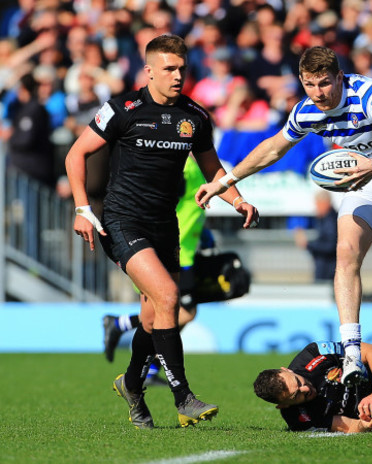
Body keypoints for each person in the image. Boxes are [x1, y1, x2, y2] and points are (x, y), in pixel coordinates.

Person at [194, 46, 372, 387]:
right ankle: (353, 355)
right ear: (301, 81)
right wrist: (224, 181)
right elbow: (272, 149)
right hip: (365, 180)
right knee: (346, 252)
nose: (318, 93)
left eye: (325, 83)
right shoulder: (307, 112)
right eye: (310, 84)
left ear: (340, 77)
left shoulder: (371, 97)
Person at [65, 34, 259, 429]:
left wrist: (236, 200)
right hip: (121, 220)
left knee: (153, 317)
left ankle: (132, 384)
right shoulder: (123, 108)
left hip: (164, 225)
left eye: (182, 69)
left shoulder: (195, 117)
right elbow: (76, 153)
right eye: (168, 69)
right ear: (149, 70)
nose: (177, 76)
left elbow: (213, 169)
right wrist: (83, 209)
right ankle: (183, 396)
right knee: (169, 296)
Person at [101, 157, 215, 387]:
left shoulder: (189, 163)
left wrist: (204, 234)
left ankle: (146, 364)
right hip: (175, 251)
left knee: (171, 313)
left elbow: (191, 204)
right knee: (176, 312)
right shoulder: (182, 164)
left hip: (186, 249)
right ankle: (124, 329)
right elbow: (166, 204)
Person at [293, 190, 338, 282]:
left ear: (325, 203)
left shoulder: (331, 220)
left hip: (329, 269)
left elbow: (331, 245)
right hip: (325, 266)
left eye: (318, 204)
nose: (316, 207)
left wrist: (308, 244)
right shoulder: (324, 219)